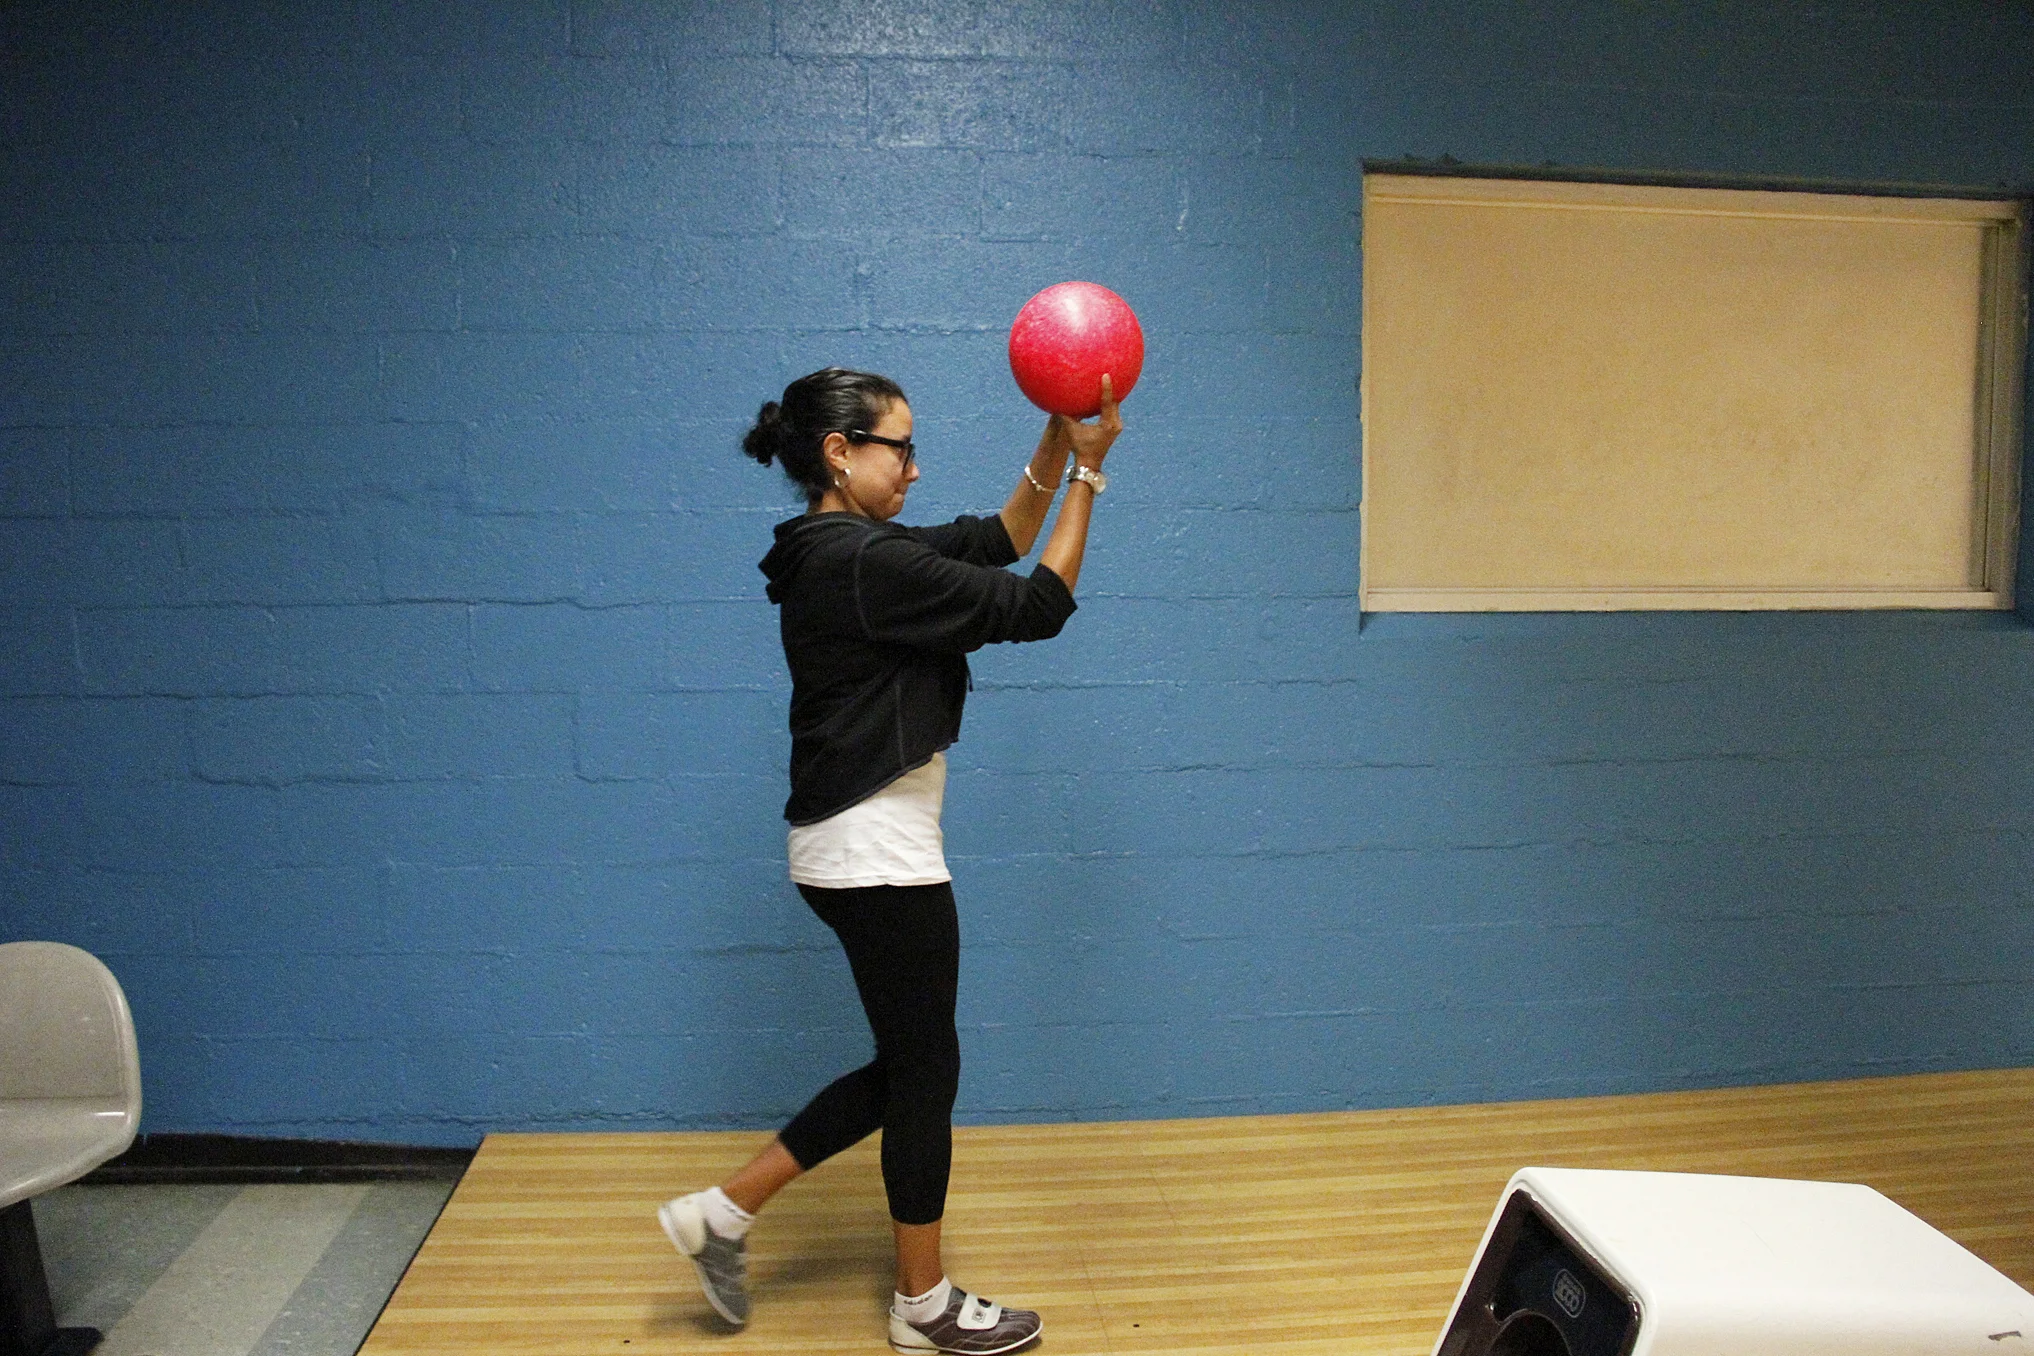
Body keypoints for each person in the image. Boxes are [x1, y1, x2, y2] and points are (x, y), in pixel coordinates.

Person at [658, 366, 1121, 1355]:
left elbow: (995, 539)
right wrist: (1089, 477)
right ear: (840, 452)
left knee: (912, 1066)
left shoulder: (850, 550)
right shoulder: (861, 564)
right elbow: (1035, 603)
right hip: (874, 850)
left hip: (856, 844)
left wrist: (1055, 432)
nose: (913, 464)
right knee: (926, 1070)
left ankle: (723, 1213)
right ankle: (922, 1304)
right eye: (898, 446)